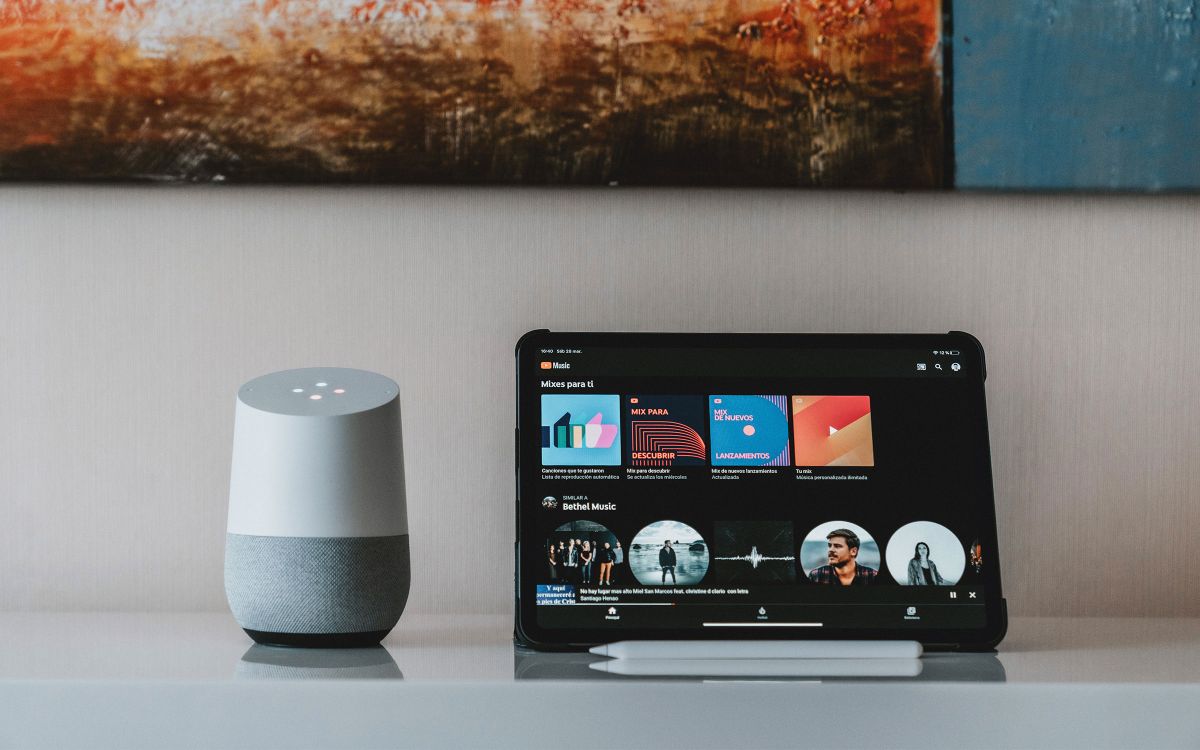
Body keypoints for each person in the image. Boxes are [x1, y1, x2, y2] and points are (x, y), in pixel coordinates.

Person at [807, 528, 878, 586]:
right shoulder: (816, 576)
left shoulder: (872, 576)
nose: (830, 550)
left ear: (853, 551)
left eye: (837, 546)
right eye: (829, 546)